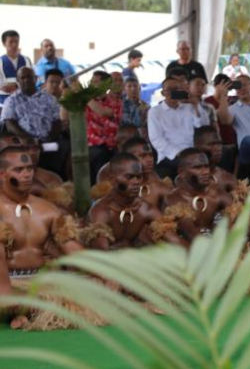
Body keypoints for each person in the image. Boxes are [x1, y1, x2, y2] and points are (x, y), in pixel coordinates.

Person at [0, 145, 83, 329]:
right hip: (6, 283)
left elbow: (73, 250)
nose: (27, 174)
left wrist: (106, 274)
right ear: (2, 174)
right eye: (19, 169)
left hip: (43, 282)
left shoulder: (48, 209)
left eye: (29, 168)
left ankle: (27, 311)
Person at [85, 153, 180, 249]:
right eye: (129, 177)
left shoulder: (146, 209)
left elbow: (175, 240)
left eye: (139, 177)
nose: (136, 182)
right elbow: (101, 252)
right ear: (113, 180)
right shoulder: (101, 211)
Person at [1, 66, 64, 177]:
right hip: (23, 144)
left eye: (29, 77)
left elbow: (57, 122)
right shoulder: (11, 100)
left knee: (59, 149)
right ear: (18, 80)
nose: (26, 80)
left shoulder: (49, 98)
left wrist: (48, 139)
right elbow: (9, 123)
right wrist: (30, 140)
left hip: (47, 141)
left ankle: (54, 182)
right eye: (23, 77)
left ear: (35, 79)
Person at [147, 75, 210, 180]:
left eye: (176, 89)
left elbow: (204, 126)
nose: (173, 92)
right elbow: (156, 139)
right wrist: (177, 152)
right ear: (163, 93)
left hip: (192, 152)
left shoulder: (189, 107)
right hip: (169, 155)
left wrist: (196, 105)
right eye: (169, 89)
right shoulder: (155, 112)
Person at [163, 148, 232, 241]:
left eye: (206, 166)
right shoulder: (174, 199)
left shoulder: (217, 192)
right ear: (182, 172)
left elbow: (240, 216)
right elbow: (191, 233)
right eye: (198, 168)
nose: (205, 172)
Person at [85, 71, 124, 184]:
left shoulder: (116, 102)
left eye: (95, 82)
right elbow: (63, 116)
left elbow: (102, 112)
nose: (91, 84)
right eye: (91, 81)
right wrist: (67, 94)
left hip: (110, 146)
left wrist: (84, 96)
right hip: (90, 146)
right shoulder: (86, 101)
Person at [193, 126, 239, 195]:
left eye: (219, 144)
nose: (218, 149)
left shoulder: (227, 177)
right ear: (197, 146)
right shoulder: (186, 176)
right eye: (212, 144)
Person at [0, 30, 32, 104]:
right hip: (3, 101)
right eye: (11, 42)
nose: (14, 44)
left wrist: (16, 85)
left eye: (16, 41)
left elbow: (32, 79)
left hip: (24, 99)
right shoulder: (0, 61)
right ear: (4, 43)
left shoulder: (26, 60)